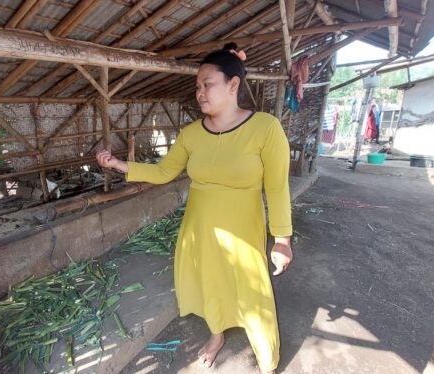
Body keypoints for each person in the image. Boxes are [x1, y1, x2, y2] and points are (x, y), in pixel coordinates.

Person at [96, 43, 293, 373]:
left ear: (233, 85)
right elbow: (163, 172)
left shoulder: (265, 128)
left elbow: (276, 187)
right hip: (199, 229)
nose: (200, 92)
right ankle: (216, 336)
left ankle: (267, 359)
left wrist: (283, 240)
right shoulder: (191, 134)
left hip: (243, 230)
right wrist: (120, 165)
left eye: (208, 84)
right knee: (211, 284)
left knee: (252, 292)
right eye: (197, 86)